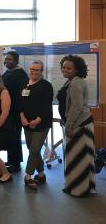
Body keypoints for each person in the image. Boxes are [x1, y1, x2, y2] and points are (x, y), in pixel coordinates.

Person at [57, 55, 95, 197]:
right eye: (64, 67)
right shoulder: (71, 81)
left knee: (78, 159)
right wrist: (64, 119)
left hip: (80, 126)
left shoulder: (76, 83)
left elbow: (76, 107)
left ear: (77, 70)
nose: (65, 70)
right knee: (82, 158)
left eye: (69, 68)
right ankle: (84, 188)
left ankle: (79, 190)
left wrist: (69, 126)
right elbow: (68, 106)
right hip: (78, 124)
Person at [19, 60, 53, 190]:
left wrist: (37, 120)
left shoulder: (46, 86)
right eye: (32, 69)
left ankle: (28, 176)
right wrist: (22, 117)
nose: (34, 72)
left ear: (41, 71)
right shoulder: (24, 84)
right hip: (26, 122)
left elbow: (46, 105)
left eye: (37, 70)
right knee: (32, 148)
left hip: (41, 123)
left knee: (34, 149)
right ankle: (41, 174)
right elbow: (19, 102)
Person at [2, 51, 28, 173]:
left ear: (16, 61)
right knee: (10, 137)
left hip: (15, 111)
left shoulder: (21, 74)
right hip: (8, 111)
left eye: (10, 59)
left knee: (15, 137)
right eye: (6, 59)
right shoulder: (7, 72)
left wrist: (20, 111)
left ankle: (16, 163)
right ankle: (11, 160)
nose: (7, 61)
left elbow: (22, 94)